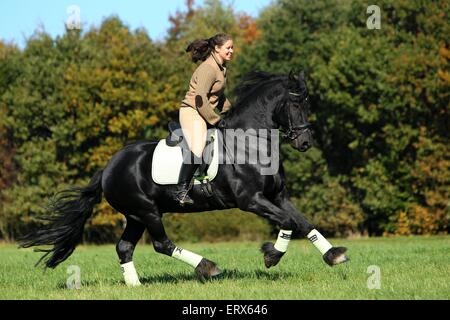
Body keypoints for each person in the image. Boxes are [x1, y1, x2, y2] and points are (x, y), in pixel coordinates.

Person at [174, 33, 234, 205]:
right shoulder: (209, 68)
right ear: (217, 49)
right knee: (198, 148)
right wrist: (216, 120)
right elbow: (200, 99)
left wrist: (233, 113)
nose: (231, 51)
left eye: (232, 47)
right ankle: (180, 190)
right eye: (228, 48)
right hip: (192, 111)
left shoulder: (221, 68)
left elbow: (218, 98)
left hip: (203, 111)